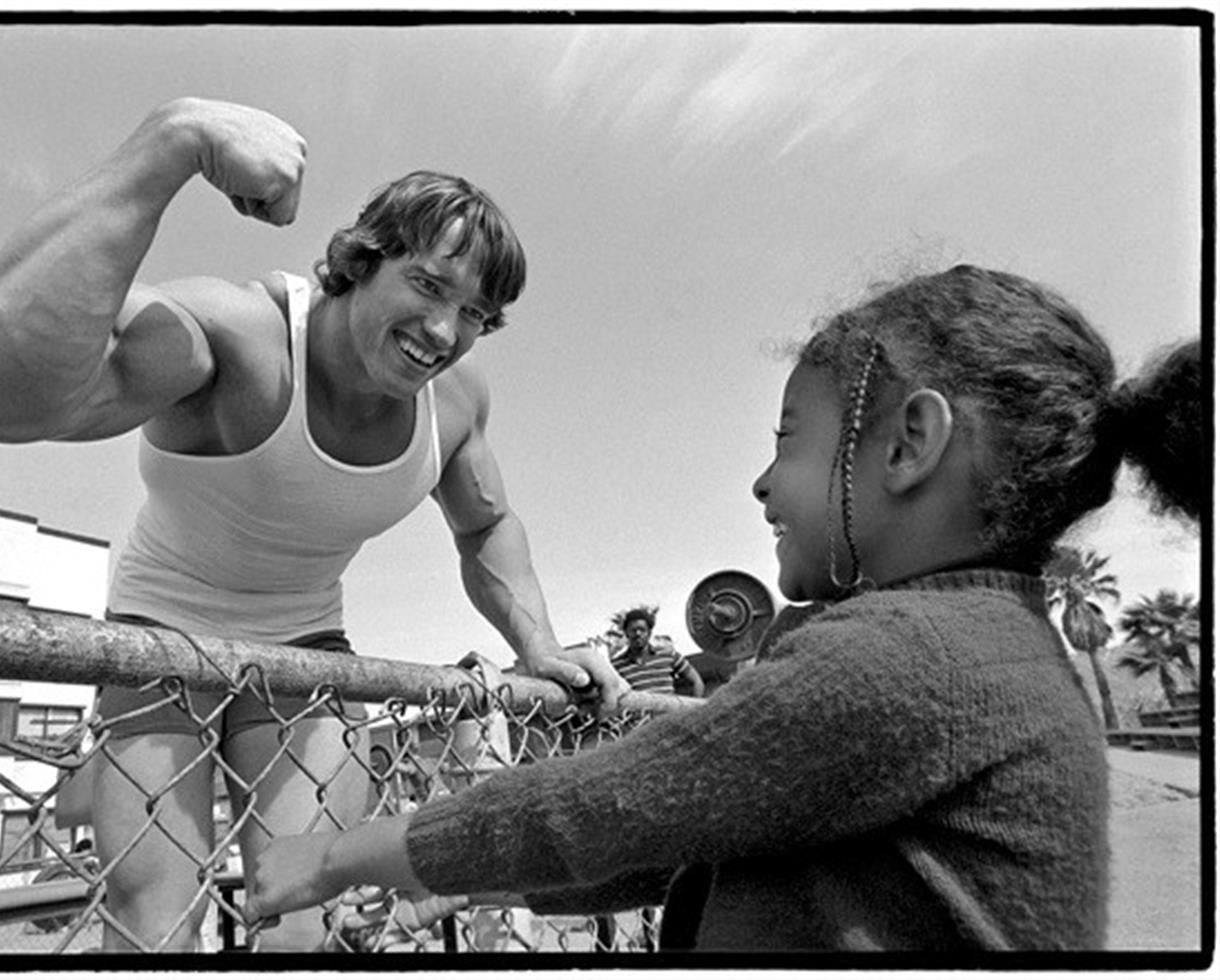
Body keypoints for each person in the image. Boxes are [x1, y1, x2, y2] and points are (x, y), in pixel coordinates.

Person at [241, 266, 1203, 952]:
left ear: (910, 444)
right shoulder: (989, 651)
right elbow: (667, 843)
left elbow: (609, 805)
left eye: (789, 438)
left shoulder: (911, 661)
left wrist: (335, 856)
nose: (759, 481)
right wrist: (420, 896)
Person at [0, 96, 627, 952]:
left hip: (305, 646)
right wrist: (169, 145)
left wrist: (539, 642)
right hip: (157, 639)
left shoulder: (455, 400)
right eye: (428, 284)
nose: (445, 332)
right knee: (156, 934)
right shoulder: (241, 338)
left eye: (476, 314)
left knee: (302, 931)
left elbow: (487, 525)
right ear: (360, 261)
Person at [609, 606, 706, 697]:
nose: (638, 634)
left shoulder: (669, 655)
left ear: (649, 632)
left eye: (642, 630)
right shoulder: (617, 666)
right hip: (638, 714)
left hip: (672, 713)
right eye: (633, 630)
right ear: (626, 633)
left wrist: (696, 709)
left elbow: (697, 682)